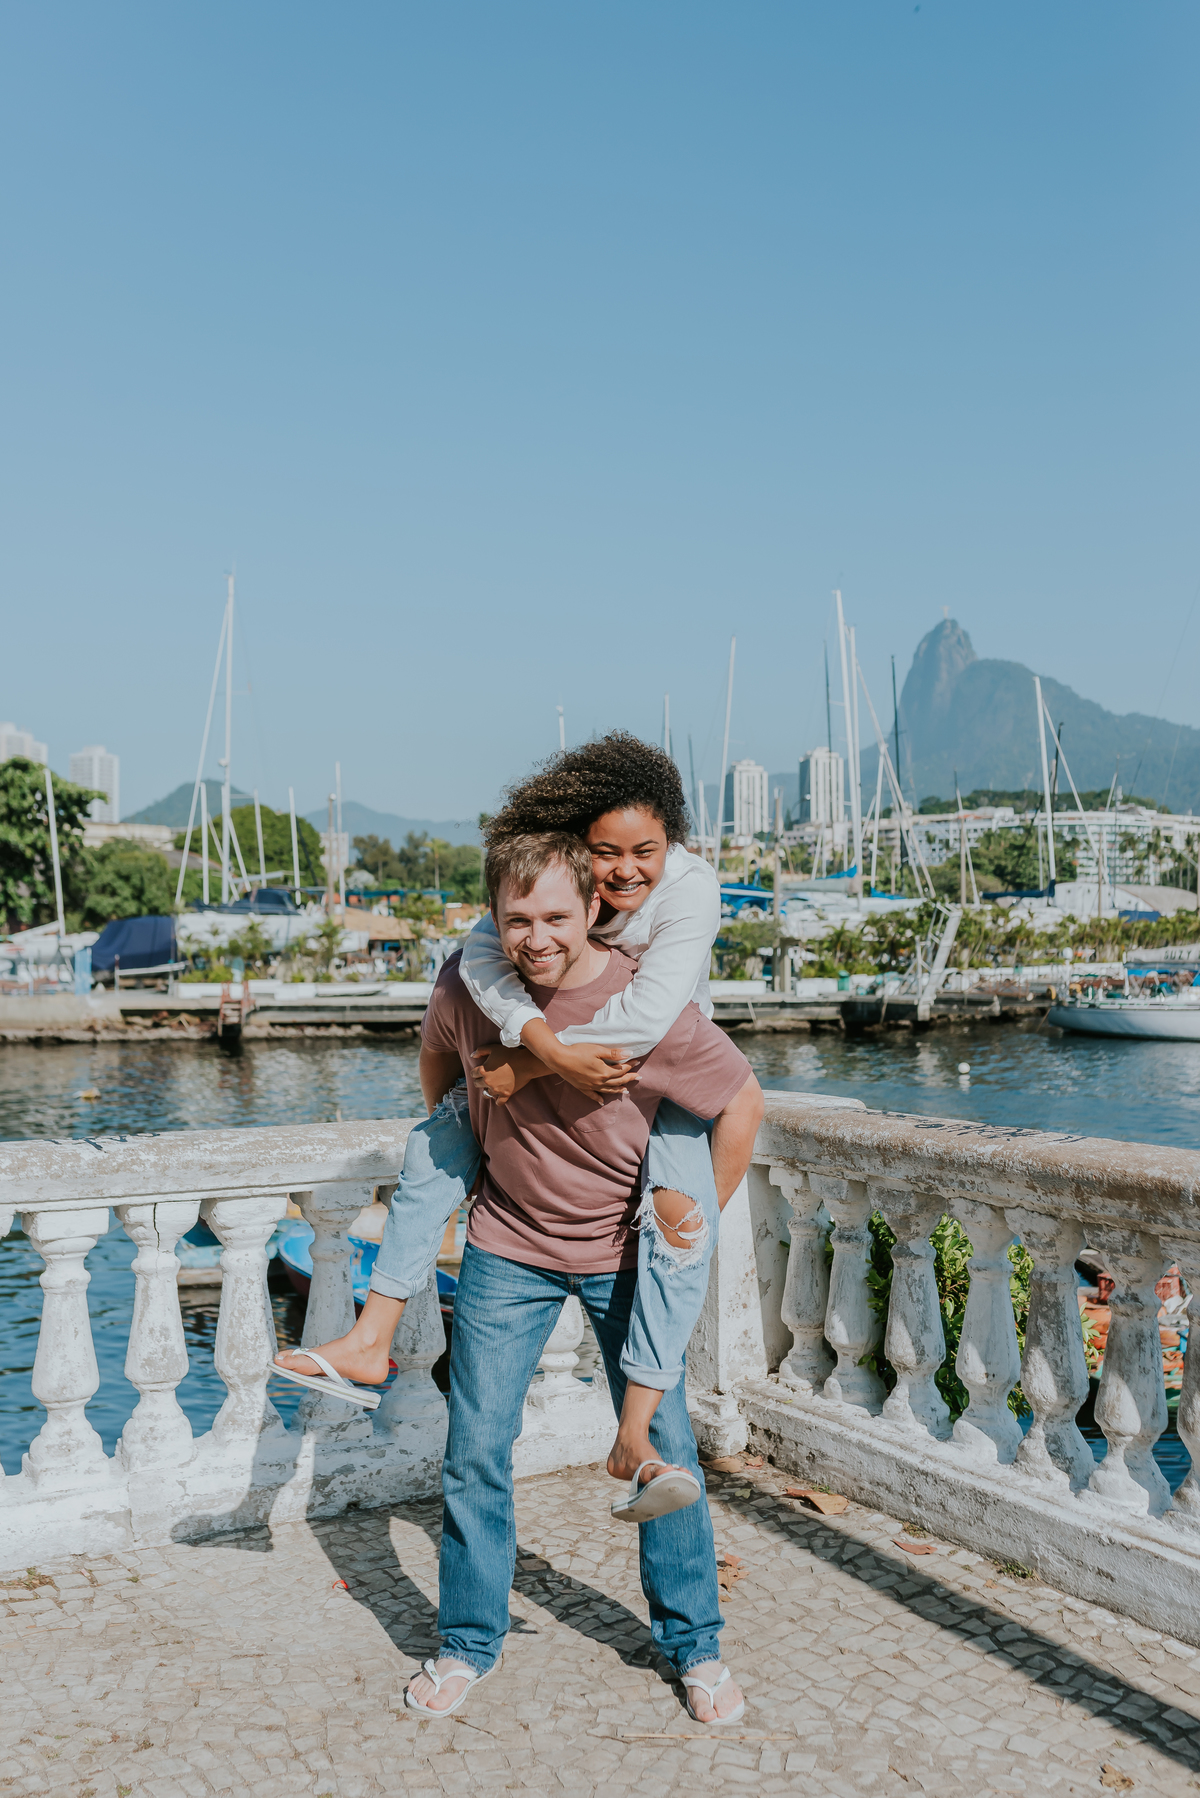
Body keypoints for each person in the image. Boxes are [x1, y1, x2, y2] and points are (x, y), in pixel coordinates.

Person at [326, 833, 762, 1721]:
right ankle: (466, 1643)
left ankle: (695, 1646)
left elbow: (740, 1101)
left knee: (664, 1450)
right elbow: (439, 1066)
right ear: (493, 918)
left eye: (556, 916)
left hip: (626, 1257)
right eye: (516, 919)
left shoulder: (653, 1005)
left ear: (593, 910)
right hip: (506, 1248)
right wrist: (479, 1142)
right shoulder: (465, 986)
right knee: (475, 1452)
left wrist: (694, 1221)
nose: (536, 936)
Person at [277, 733, 734, 1510]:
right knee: (432, 1148)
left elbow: (650, 1018)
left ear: (673, 846)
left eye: (644, 852)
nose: (626, 870)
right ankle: (370, 1338)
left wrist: (531, 1062)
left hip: (661, 1075)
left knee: (681, 1245)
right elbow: (478, 967)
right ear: (582, 855)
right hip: (514, 1226)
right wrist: (485, 1125)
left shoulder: (686, 893)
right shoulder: (528, 909)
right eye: (606, 852)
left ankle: (640, 1443)